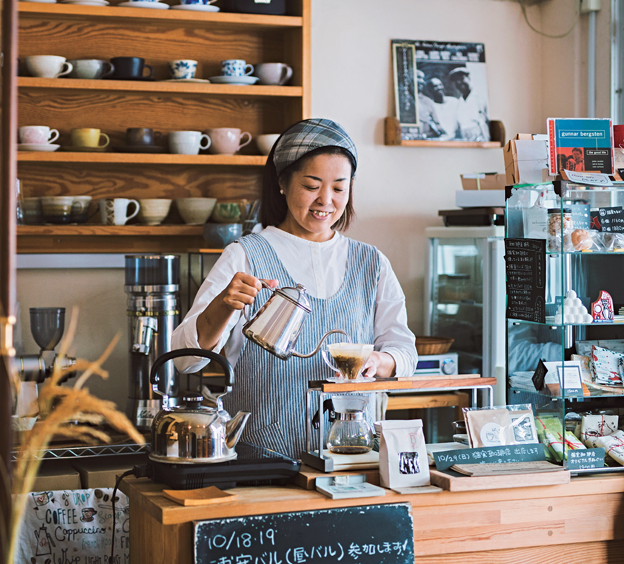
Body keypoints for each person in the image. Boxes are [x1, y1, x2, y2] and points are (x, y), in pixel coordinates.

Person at [171, 118, 418, 458]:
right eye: (312, 185)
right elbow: (185, 362)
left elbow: (404, 352)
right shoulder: (245, 254)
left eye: (339, 188)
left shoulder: (371, 262)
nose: (326, 201)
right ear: (283, 183)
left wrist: (380, 361)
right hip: (263, 458)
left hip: (355, 458)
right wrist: (223, 306)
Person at [448, 67, 490, 141]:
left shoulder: (481, 97)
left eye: (461, 78)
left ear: (469, 78)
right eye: (456, 81)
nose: (459, 82)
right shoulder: (458, 103)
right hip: (465, 142)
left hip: (481, 140)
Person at [416, 70, 446, 138]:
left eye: (422, 79)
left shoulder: (428, 102)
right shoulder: (404, 99)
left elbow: (437, 125)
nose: (422, 81)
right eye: (418, 77)